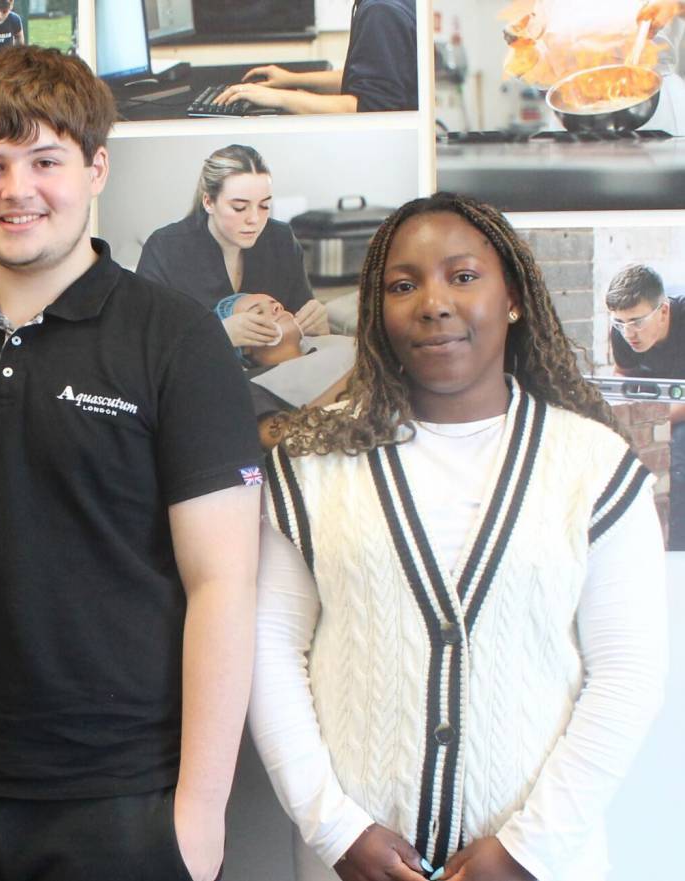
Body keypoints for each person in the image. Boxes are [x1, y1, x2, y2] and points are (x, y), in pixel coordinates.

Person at [0, 46, 263, 881]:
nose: (17, 190)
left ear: (96, 168)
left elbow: (224, 583)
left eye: (45, 160)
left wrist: (197, 816)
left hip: (128, 800)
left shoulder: (176, 339)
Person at [251, 193, 667, 881]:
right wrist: (336, 828)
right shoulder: (310, 467)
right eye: (403, 285)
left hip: (548, 864)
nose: (433, 303)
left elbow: (628, 675)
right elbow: (270, 651)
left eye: (464, 276)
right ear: (376, 312)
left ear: (513, 298)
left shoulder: (592, 465)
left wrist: (528, 848)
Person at [137, 144, 330, 347]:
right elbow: (141, 344)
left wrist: (318, 325)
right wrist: (218, 335)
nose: (254, 219)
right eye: (239, 207)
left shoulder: (280, 241)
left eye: (264, 206)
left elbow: (301, 322)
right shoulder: (166, 249)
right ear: (209, 202)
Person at [604, 263, 685, 550]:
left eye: (637, 321)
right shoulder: (624, 330)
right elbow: (622, 378)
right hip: (660, 404)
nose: (629, 333)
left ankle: (675, 550)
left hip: (673, 408)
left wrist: (652, 421)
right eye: (619, 322)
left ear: (663, 312)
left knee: (678, 455)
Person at [213, 0, 417, 113]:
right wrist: (292, 80)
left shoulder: (380, 10)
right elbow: (371, 79)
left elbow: (370, 109)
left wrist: (279, 98)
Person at [213, 292, 354, 448]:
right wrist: (355, 378)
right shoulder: (249, 386)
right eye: (258, 312)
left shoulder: (334, 344)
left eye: (276, 303)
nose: (276, 307)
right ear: (244, 348)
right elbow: (277, 437)